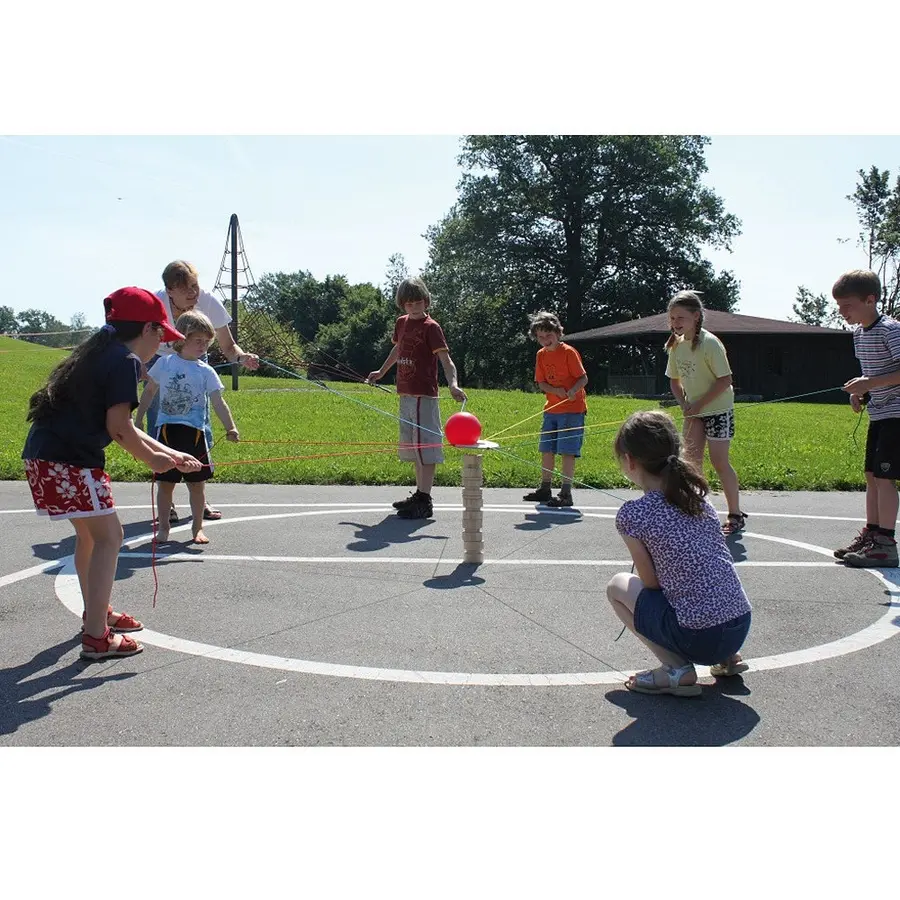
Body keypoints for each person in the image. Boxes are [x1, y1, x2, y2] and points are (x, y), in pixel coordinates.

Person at [22, 287, 202, 660]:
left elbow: (126, 428)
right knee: (110, 537)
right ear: (149, 329)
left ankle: (97, 613)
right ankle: (96, 637)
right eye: (162, 337)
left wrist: (170, 453)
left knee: (91, 538)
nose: (162, 346)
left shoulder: (101, 353)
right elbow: (119, 428)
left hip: (46, 458)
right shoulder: (124, 362)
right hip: (71, 462)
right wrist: (153, 462)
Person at [607, 410, 752, 696]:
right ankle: (727, 658)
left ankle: (675, 669)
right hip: (739, 625)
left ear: (630, 461)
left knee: (617, 586)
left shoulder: (632, 515)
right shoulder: (697, 497)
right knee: (703, 585)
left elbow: (650, 584)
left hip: (698, 637)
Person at [144, 259, 259, 524]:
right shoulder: (156, 305)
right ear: (169, 290)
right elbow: (141, 342)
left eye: (195, 286)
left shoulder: (208, 303)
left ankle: (199, 496)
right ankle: (167, 501)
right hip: (160, 362)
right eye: (185, 289)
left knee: (200, 427)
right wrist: (140, 367)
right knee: (160, 430)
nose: (193, 293)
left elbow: (229, 348)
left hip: (196, 362)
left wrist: (243, 359)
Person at [366, 277, 467, 519]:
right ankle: (420, 495)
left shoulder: (431, 327)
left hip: (424, 395)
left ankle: (425, 499)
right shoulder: (401, 323)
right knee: (413, 447)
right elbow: (398, 349)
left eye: (418, 302)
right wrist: (381, 371)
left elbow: (446, 361)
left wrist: (453, 384)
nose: (413, 307)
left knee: (426, 448)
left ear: (426, 300)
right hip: (406, 394)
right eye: (408, 303)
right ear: (402, 305)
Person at [135, 310, 240, 544]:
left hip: (194, 434)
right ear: (181, 338)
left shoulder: (206, 371)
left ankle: (197, 528)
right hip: (166, 432)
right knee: (165, 484)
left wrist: (230, 427)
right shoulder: (165, 363)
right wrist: (139, 418)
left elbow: (218, 402)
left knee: (196, 485)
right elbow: (149, 391)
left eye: (207, 342)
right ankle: (163, 528)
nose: (203, 346)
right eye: (198, 341)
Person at [665, 289, 747, 535]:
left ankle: (735, 514)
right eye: (672, 318)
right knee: (690, 463)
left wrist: (699, 404)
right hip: (693, 411)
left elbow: (725, 380)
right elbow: (674, 381)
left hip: (718, 409)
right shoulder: (676, 346)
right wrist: (684, 404)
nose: (676, 323)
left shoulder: (710, 343)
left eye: (681, 318)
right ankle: (695, 510)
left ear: (696, 317)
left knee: (719, 462)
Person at [835, 269, 900, 568]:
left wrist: (869, 385)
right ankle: (872, 534)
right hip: (879, 413)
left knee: (886, 479)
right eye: (839, 306)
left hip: (896, 415)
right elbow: (873, 375)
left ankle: (886, 543)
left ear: (870, 299)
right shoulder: (860, 334)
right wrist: (859, 392)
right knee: (872, 476)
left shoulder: (891, 330)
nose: (842, 311)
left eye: (847, 305)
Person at [521, 311, 588, 508]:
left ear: (558, 333)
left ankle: (566, 492)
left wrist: (573, 390)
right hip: (551, 410)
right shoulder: (540, 355)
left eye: (548, 335)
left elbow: (583, 378)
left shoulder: (568, 352)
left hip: (572, 410)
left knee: (567, 451)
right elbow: (541, 383)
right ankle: (545, 488)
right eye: (540, 337)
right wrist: (555, 390)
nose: (545, 340)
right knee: (547, 449)